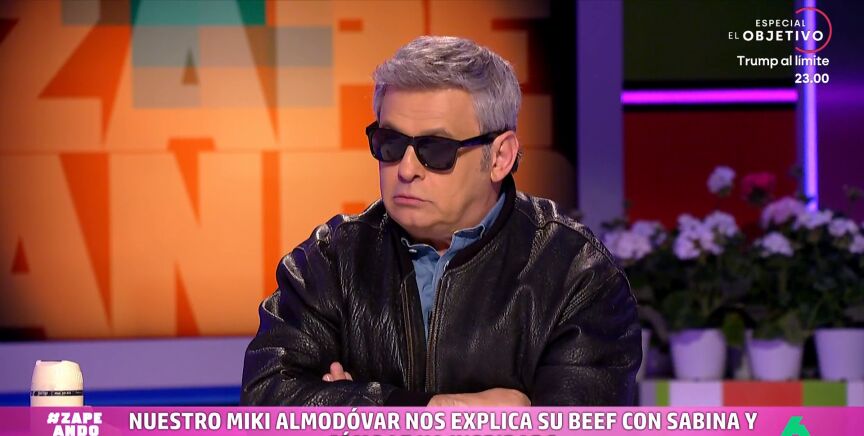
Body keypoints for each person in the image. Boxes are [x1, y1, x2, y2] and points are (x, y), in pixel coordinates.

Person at [241, 36, 640, 407]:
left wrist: (349, 405)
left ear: (500, 157)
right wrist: (432, 409)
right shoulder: (331, 261)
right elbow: (266, 398)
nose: (406, 169)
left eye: (435, 149)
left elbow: (572, 427)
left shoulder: (577, 274)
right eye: (390, 144)